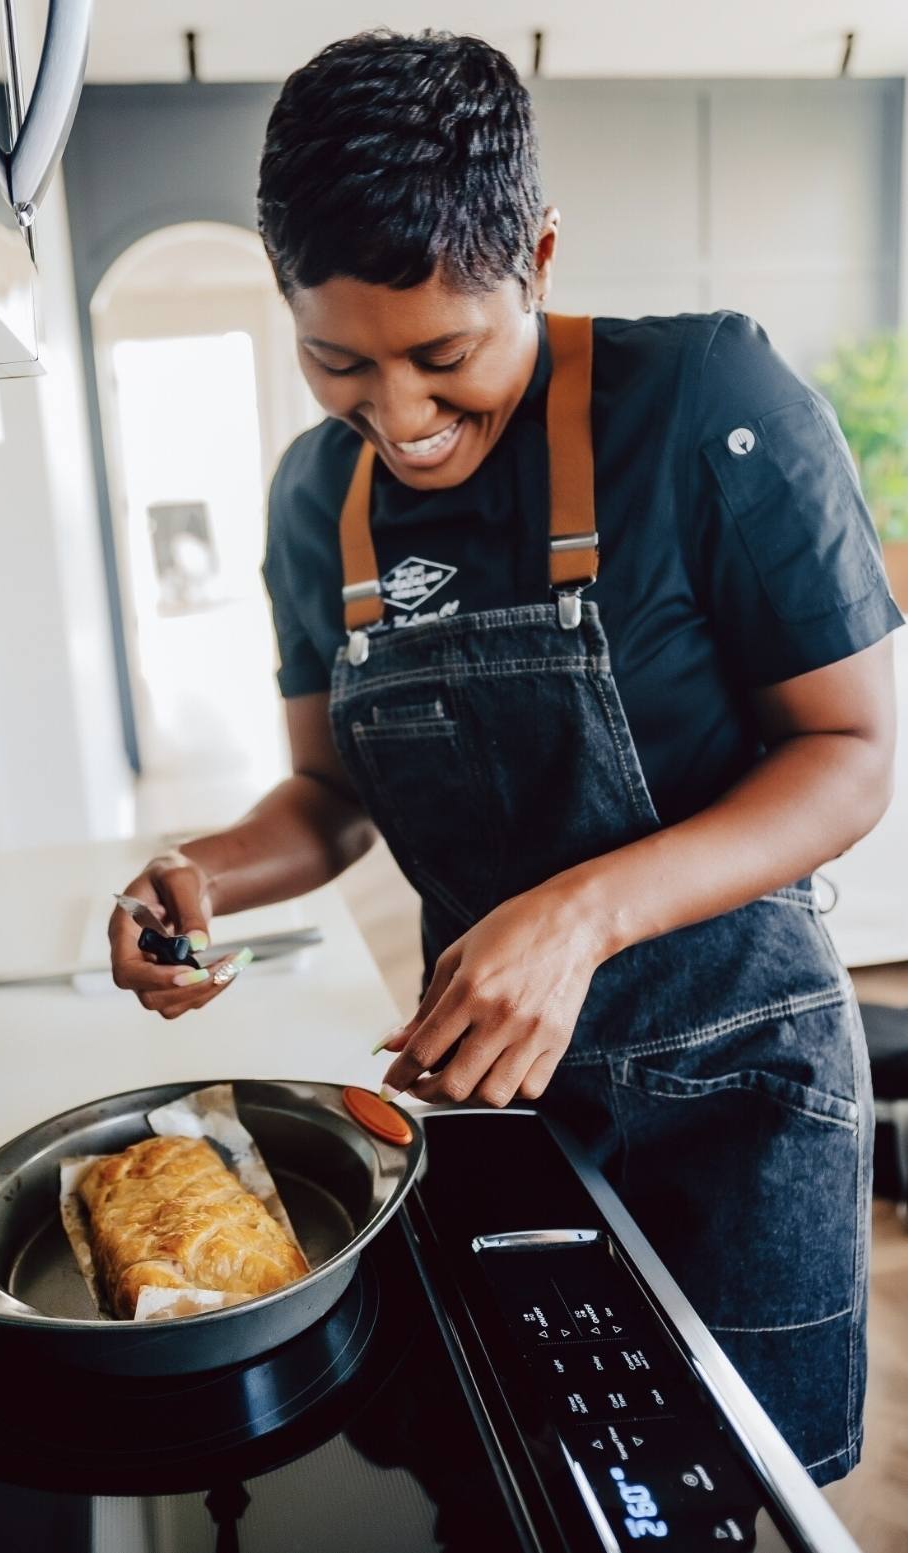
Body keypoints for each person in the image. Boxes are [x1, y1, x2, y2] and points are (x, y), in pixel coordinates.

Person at [110, 31, 903, 1484]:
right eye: (338, 362)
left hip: (741, 1100)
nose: (402, 419)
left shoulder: (704, 401)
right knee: (530, 1473)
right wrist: (201, 868)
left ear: (535, 257)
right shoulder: (314, 498)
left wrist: (578, 916)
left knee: (732, 1496)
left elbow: (849, 756)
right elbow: (330, 798)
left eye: (445, 356)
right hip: (496, 1102)